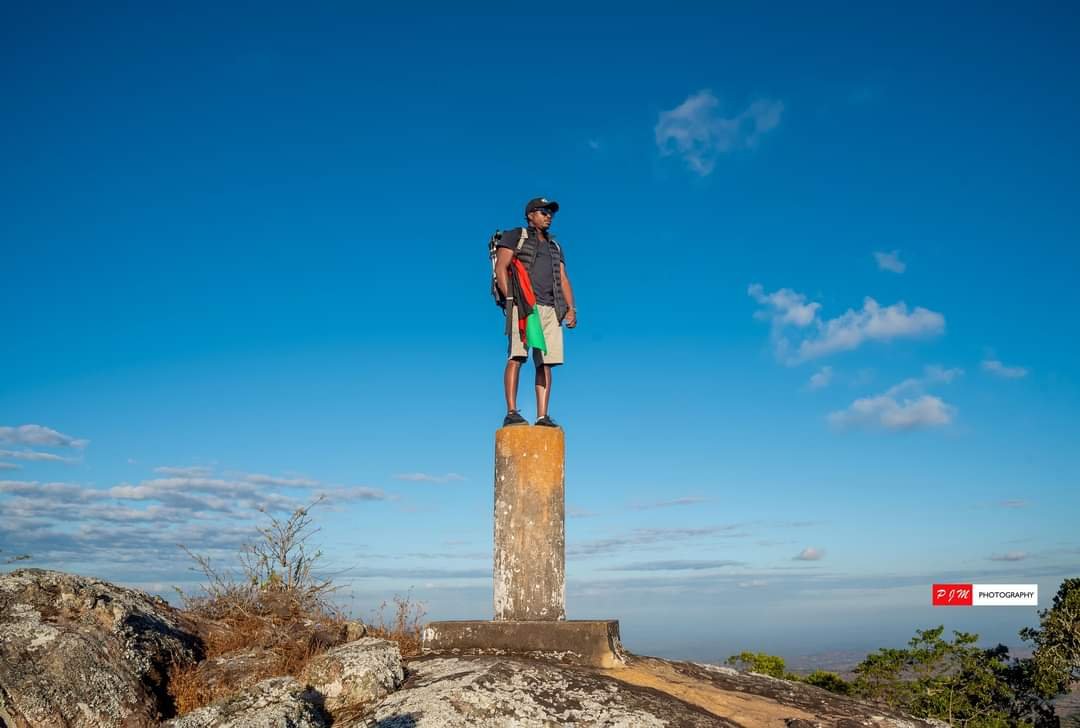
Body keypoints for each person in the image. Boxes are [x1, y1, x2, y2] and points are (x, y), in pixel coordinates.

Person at [494, 197, 577, 428]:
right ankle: (511, 412)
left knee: (545, 363)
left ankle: (543, 416)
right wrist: (511, 298)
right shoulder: (515, 236)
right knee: (517, 356)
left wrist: (571, 308)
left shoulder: (555, 246)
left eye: (550, 212)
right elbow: (501, 267)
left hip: (550, 308)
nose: (548, 216)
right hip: (523, 304)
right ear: (530, 215)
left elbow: (562, 277)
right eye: (542, 211)